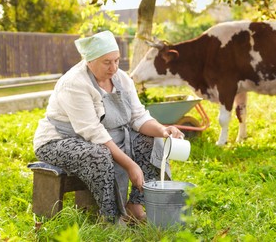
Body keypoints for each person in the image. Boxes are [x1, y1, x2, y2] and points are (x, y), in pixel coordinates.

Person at [33, 30, 184, 224]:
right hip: (59, 141)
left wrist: (164, 130)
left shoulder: (121, 79)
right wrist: (130, 165)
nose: (113, 68)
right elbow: (94, 133)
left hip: (105, 137)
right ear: (90, 61)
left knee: (150, 141)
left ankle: (134, 207)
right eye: (107, 62)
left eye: (116, 60)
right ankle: (111, 218)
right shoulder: (74, 84)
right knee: (98, 155)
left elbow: (138, 117)